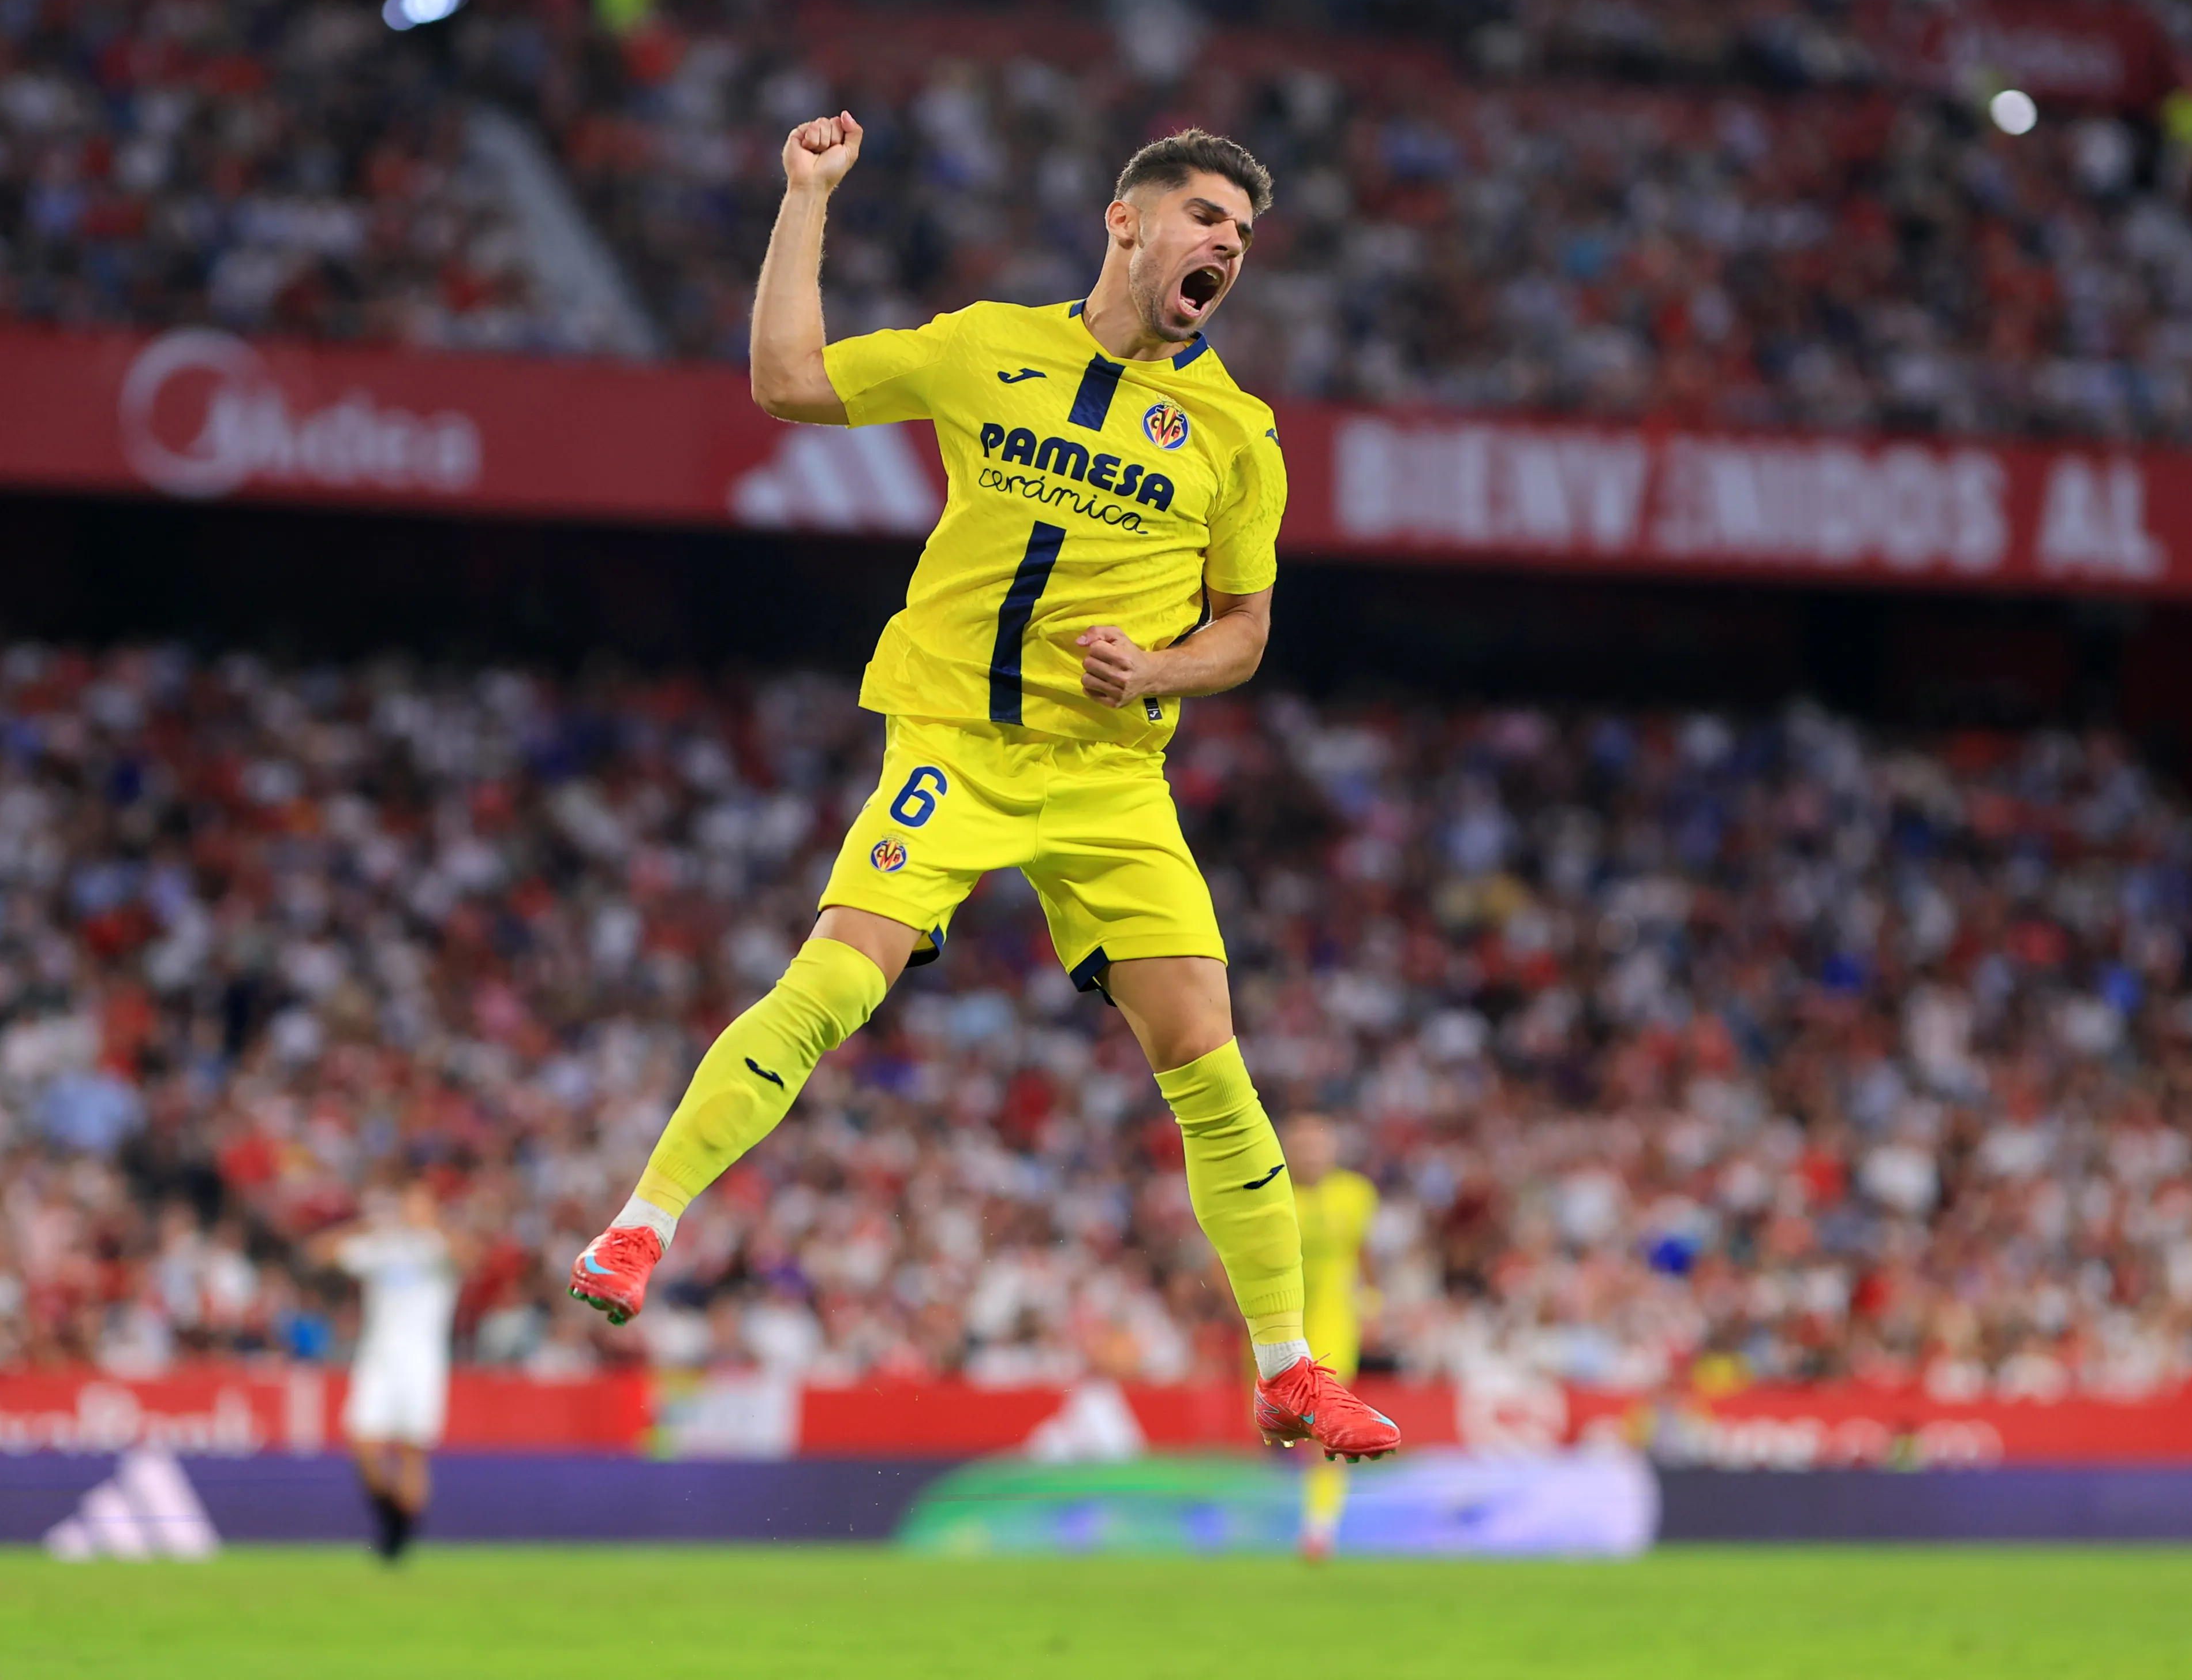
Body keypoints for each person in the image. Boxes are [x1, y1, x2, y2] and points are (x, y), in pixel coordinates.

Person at [569, 113, 1399, 1464]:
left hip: (1111, 771)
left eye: (1241, 239)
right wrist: (805, 198)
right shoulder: (982, 346)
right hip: (955, 742)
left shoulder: (1238, 436)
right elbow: (786, 379)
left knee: (1204, 1048)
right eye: (1204, 220)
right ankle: (640, 1224)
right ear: (1126, 221)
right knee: (837, 978)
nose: (1225, 249)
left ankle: (1288, 1368)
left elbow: (1245, 627)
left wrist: (1164, 665)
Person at [308, 1183, 473, 1561]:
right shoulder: (384, 1247)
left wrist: (438, 1229)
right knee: (363, 1442)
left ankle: (402, 1538)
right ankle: (392, 1517)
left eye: (420, 1207)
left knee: (412, 1450)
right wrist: (365, 1225)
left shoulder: (438, 1249)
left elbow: (469, 1257)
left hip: (423, 1360)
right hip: (378, 1358)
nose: (412, 1213)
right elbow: (319, 1252)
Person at [1284, 1112, 1381, 1559]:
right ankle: (1307, 1516)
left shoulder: (1356, 1194)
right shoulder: (1270, 1192)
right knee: (1287, 1428)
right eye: (1302, 1145)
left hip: (1334, 1325)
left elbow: (1363, 1251)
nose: (1311, 1154)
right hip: (1278, 1324)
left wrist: (1374, 1301)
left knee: (1325, 1422)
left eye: (1318, 1145)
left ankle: (1319, 1527)